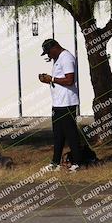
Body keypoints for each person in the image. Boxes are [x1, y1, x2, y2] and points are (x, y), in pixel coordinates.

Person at [38, 39, 81, 172]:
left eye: (48, 53)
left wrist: (51, 79)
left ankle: (78, 162)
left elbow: (69, 80)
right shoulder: (58, 59)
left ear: (55, 47)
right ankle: (55, 163)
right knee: (58, 135)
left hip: (67, 103)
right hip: (58, 103)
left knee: (71, 134)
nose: (48, 56)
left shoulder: (66, 58)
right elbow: (59, 80)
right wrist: (48, 80)